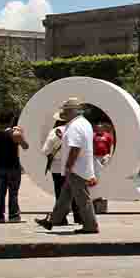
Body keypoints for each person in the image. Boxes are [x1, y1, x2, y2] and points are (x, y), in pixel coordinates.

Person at [35, 98, 99, 234]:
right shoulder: (84, 123)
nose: (64, 113)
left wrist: (69, 166)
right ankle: (53, 220)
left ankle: (91, 226)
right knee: (64, 197)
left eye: (66, 111)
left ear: (72, 111)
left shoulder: (75, 126)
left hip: (76, 169)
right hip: (81, 167)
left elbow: (75, 148)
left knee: (83, 199)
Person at [41, 113, 80, 226]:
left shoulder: (54, 132)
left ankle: (62, 218)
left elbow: (45, 150)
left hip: (57, 168)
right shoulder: (74, 130)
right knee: (75, 192)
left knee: (60, 193)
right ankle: (79, 216)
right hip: (73, 166)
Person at [0, 112, 28, 223]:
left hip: (1, 167)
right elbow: (25, 146)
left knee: (1, 192)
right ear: (11, 120)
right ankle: (14, 216)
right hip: (13, 167)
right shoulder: (15, 134)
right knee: (13, 192)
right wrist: (21, 133)